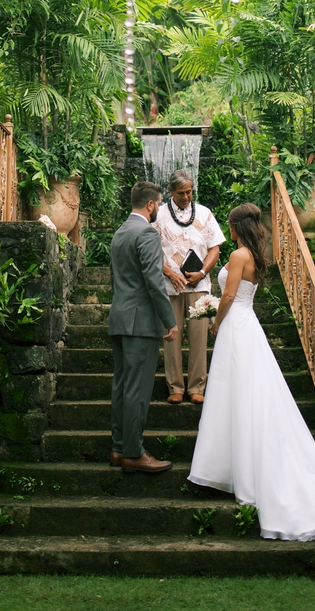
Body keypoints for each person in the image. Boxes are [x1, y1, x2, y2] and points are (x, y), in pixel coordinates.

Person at [188, 202, 315, 542]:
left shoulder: (237, 256)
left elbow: (228, 297)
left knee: (237, 394)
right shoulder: (256, 257)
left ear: (236, 227)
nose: (227, 230)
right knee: (250, 393)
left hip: (235, 326)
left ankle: (241, 472)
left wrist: (213, 320)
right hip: (249, 324)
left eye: (229, 225)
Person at [109, 181, 179, 474]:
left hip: (121, 318)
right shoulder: (147, 233)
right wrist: (170, 320)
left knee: (122, 386)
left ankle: (118, 447)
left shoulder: (120, 232)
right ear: (151, 205)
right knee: (137, 390)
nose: (160, 208)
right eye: (160, 204)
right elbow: (153, 282)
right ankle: (134, 453)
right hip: (141, 323)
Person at [156, 170, 226, 405]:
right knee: (171, 337)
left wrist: (202, 272)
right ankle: (175, 386)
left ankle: (197, 387)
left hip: (198, 285)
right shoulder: (159, 214)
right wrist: (168, 272)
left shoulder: (204, 213)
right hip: (170, 286)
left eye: (189, 192)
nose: (186, 196)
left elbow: (215, 247)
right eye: (181, 193)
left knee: (198, 338)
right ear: (170, 192)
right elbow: (150, 249)